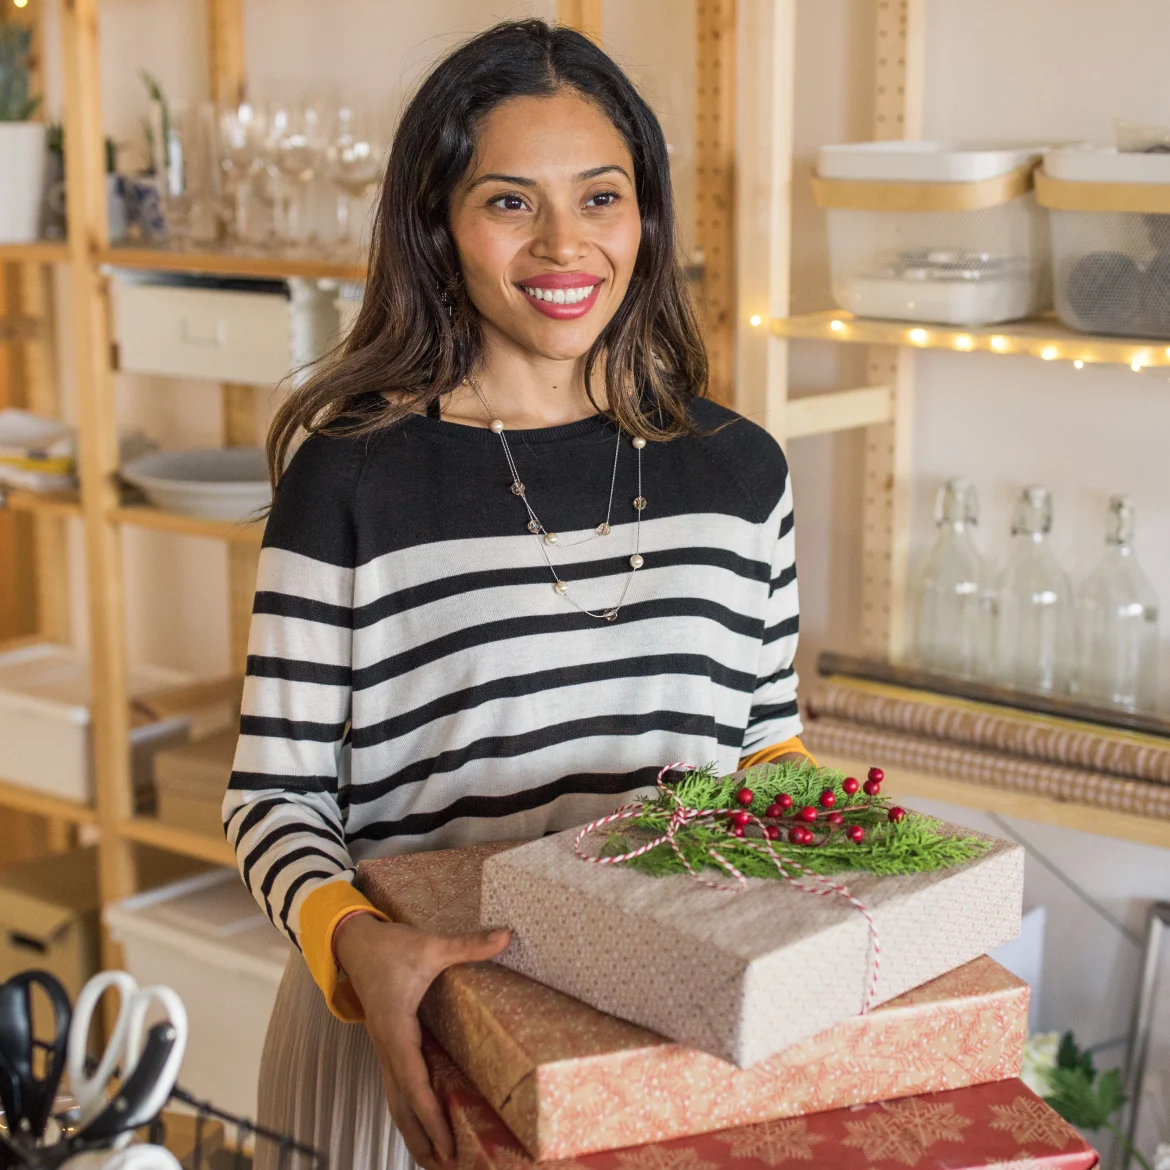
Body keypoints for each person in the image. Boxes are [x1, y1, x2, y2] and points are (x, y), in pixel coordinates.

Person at [225, 18, 812, 1170]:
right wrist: (355, 945)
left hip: (666, 1041)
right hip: (415, 1050)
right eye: (508, 202)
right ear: (437, 228)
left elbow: (764, 755)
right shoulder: (353, 479)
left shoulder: (742, 474)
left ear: (646, 213)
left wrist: (847, 873)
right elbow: (272, 803)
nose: (564, 245)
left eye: (601, 197)